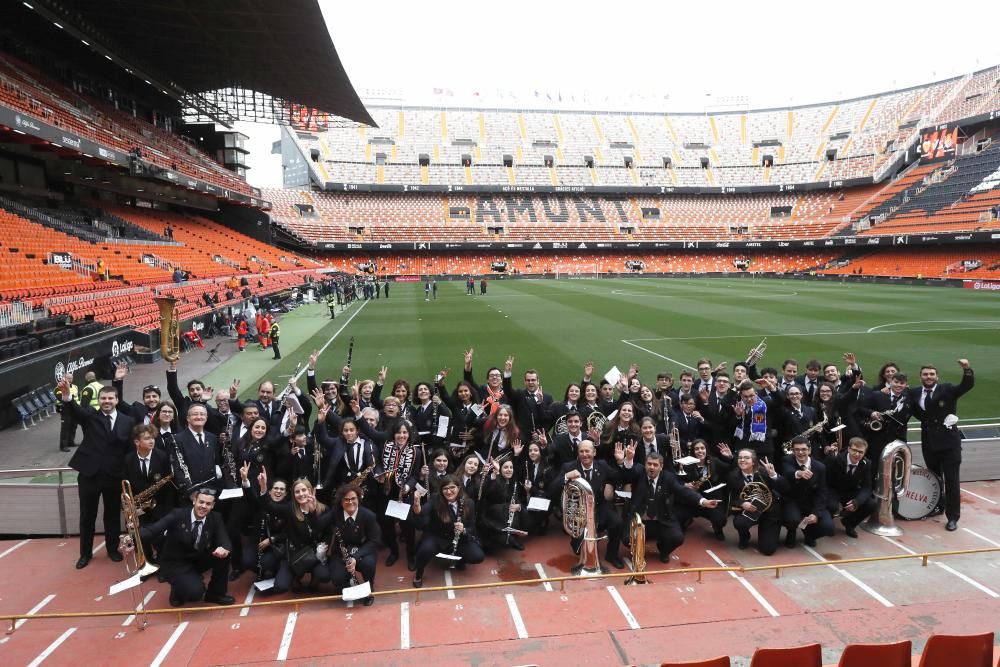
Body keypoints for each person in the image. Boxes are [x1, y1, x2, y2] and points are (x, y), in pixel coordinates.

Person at [58, 376, 135, 569]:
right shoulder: (90, 416)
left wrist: (126, 474)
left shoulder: (128, 421)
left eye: (110, 398)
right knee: (87, 516)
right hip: (89, 475)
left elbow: (129, 450)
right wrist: (67, 396)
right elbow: (74, 410)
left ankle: (111, 550)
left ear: (117, 400)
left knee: (111, 516)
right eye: (103, 398)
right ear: (99, 400)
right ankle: (85, 554)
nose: (106, 402)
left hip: (114, 476)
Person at [138, 488, 234, 607]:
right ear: (194, 501)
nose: (203, 506)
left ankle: (215, 594)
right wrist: (134, 535)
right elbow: (153, 530)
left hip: (197, 558)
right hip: (176, 562)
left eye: (208, 504)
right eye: (201, 502)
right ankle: (177, 590)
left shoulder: (215, 518)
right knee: (195, 593)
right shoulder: (177, 514)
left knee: (224, 555)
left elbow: (224, 540)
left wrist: (224, 549)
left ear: (213, 506)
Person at [909, 359, 974, 531]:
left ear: (937, 376)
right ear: (920, 377)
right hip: (929, 443)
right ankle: (937, 507)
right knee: (934, 478)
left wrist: (967, 369)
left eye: (931, 374)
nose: (928, 377)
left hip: (949, 443)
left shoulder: (947, 389)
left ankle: (952, 517)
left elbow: (966, 386)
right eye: (925, 374)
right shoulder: (914, 393)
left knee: (951, 481)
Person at [625, 452, 720, 561]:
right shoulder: (639, 473)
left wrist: (703, 501)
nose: (652, 467)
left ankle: (663, 551)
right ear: (645, 465)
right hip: (640, 521)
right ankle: (639, 549)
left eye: (655, 465)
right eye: (649, 464)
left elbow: (683, 491)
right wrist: (628, 460)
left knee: (677, 538)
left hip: (662, 519)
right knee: (627, 539)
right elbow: (627, 473)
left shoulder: (668, 477)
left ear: (661, 467)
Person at [550, 440, 625, 569]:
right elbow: (551, 490)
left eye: (587, 451)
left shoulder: (602, 465)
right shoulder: (568, 467)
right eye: (581, 451)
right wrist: (566, 476)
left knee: (617, 522)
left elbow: (620, 478)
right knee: (578, 550)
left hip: (599, 507)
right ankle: (579, 543)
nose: (585, 454)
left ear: (594, 452)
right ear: (578, 453)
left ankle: (612, 555)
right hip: (579, 513)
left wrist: (620, 462)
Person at [411, 476, 485, 588]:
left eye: (452, 487)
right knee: (425, 550)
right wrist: (416, 503)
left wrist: (464, 529)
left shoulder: (469, 503)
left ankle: (460, 561)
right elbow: (421, 512)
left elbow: (472, 527)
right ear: (441, 490)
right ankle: (419, 574)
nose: (449, 491)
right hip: (438, 537)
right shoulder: (436, 499)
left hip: (459, 539)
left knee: (478, 556)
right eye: (445, 488)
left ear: (459, 488)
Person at [313, 484, 379, 605]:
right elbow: (318, 526)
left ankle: (370, 588)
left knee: (368, 564)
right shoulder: (335, 513)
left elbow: (374, 541)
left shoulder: (369, 516)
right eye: (346, 499)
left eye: (353, 498)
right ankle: (346, 585)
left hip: (361, 552)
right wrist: (312, 510)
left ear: (358, 499)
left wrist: (355, 557)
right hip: (340, 553)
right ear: (341, 501)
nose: (350, 502)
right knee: (337, 578)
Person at [124, 424, 174, 560]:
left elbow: (168, 486)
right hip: (138, 508)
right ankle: (147, 563)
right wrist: (132, 507)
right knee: (140, 538)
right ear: (137, 442)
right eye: (147, 438)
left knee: (160, 538)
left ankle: (162, 564)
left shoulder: (162, 457)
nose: (152, 441)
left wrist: (166, 510)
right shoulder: (128, 459)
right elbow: (126, 487)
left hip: (159, 506)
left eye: (152, 438)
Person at [728, 449, 786, 554]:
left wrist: (773, 475)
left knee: (768, 550)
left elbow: (784, 488)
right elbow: (731, 496)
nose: (742, 460)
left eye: (746, 458)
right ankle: (744, 537)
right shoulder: (733, 476)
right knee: (739, 523)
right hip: (750, 510)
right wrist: (742, 503)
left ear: (753, 461)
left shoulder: (764, 472)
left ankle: (770, 532)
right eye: (740, 457)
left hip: (769, 512)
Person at [781, 435, 834, 548]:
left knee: (828, 528)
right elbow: (787, 471)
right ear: (793, 451)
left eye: (804, 449)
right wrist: (798, 473)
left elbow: (822, 491)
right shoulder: (787, 460)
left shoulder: (820, 467)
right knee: (792, 519)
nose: (800, 452)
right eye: (797, 450)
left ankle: (809, 535)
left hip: (811, 502)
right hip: (793, 500)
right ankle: (791, 532)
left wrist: (815, 513)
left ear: (809, 450)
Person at [825, 437, 876, 538]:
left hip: (850, 490)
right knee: (832, 506)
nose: (857, 454)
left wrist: (857, 501)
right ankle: (827, 524)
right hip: (833, 489)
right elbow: (823, 479)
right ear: (848, 449)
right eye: (854, 450)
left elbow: (867, 487)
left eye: (861, 452)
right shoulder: (835, 459)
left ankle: (849, 523)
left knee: (871, 504)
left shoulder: (867, 464)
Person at [56, 371, 81, 451]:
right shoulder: (58, 388)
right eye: (68, 378)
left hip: (75, 409)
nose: (70, 380)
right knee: (65, 428)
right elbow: (61, 398)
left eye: (71, 378)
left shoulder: (75, 387)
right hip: (65, 410)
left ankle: (71, 442)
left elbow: (78, 397)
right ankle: (63, 446)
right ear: (64, 378)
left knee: (73, 426)